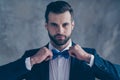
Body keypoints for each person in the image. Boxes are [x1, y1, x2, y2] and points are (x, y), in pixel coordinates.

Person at [0, 1, 120, 80]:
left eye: (65, 25)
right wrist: (32, 61)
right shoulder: (32, 57)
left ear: (72, 25)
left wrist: (88, 58)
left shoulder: (88, 57)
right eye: (54, 25)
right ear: (46, 26)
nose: (60, 31)